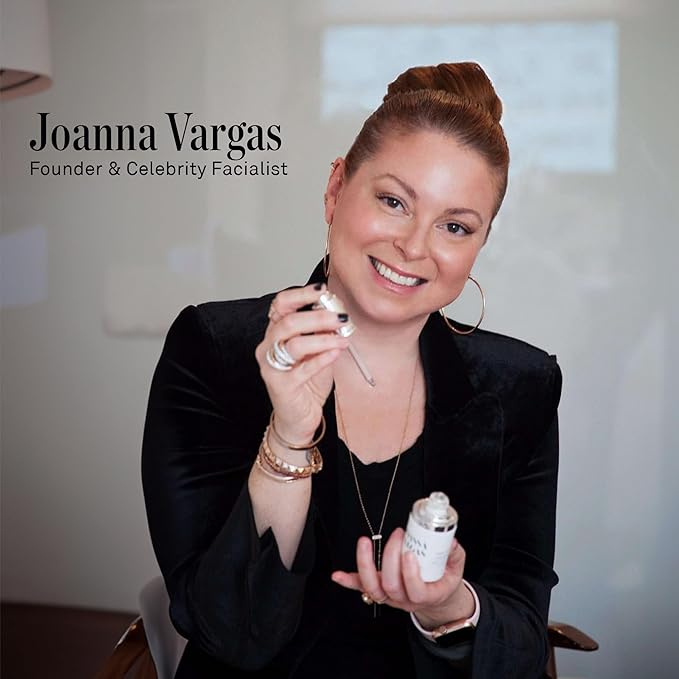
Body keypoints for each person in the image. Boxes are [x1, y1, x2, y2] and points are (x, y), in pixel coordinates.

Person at [141, 62, 562, 679]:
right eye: (393, 202)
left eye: (454, 226)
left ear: (479, 244)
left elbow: (522, 638)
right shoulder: (214, 349)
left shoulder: (522, 386)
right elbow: (230, 633)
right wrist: (288, 436)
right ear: (336, 188)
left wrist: (449, 608)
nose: (414, 247)